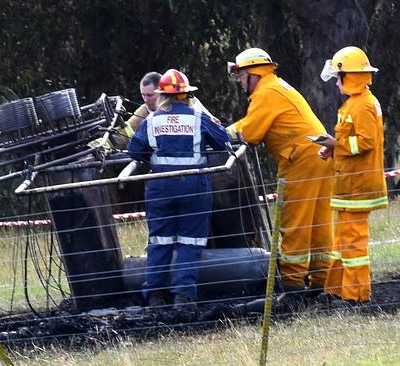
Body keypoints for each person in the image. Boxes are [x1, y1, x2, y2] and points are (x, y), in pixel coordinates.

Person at [226, 48, 334, 302]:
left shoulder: (266, 93)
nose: (240, 81)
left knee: (294, 221)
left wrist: (220, 131)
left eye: (241, 76)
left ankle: (293, 285)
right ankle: (321, 280)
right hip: (318, 156)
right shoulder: (275, 87)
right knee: (319, 223)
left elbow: (250, 133)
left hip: (300, 160)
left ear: (254, 73)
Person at [128, 69, 230, 312]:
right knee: (190, 242)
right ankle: (183, 297)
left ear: (162, 95)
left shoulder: (151, 120)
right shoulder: (197, 117)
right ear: (186, 95)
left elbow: (134, 150)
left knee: (159, 241)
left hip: (160, 188)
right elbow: (223, 140)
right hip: (193, 186)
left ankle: (154, 295)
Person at [314, 46, 387, 307]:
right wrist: (331, 148)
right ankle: (336, 290)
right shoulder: (353, 104)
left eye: (338, 77)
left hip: (359, 187)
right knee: (341, 241)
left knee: (353, 244)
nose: (335, 82)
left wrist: (337, 145)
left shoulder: (364, 105)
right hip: (348, 184)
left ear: (350, 76)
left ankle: (356, 296)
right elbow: (350, 141)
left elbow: (365, 142)